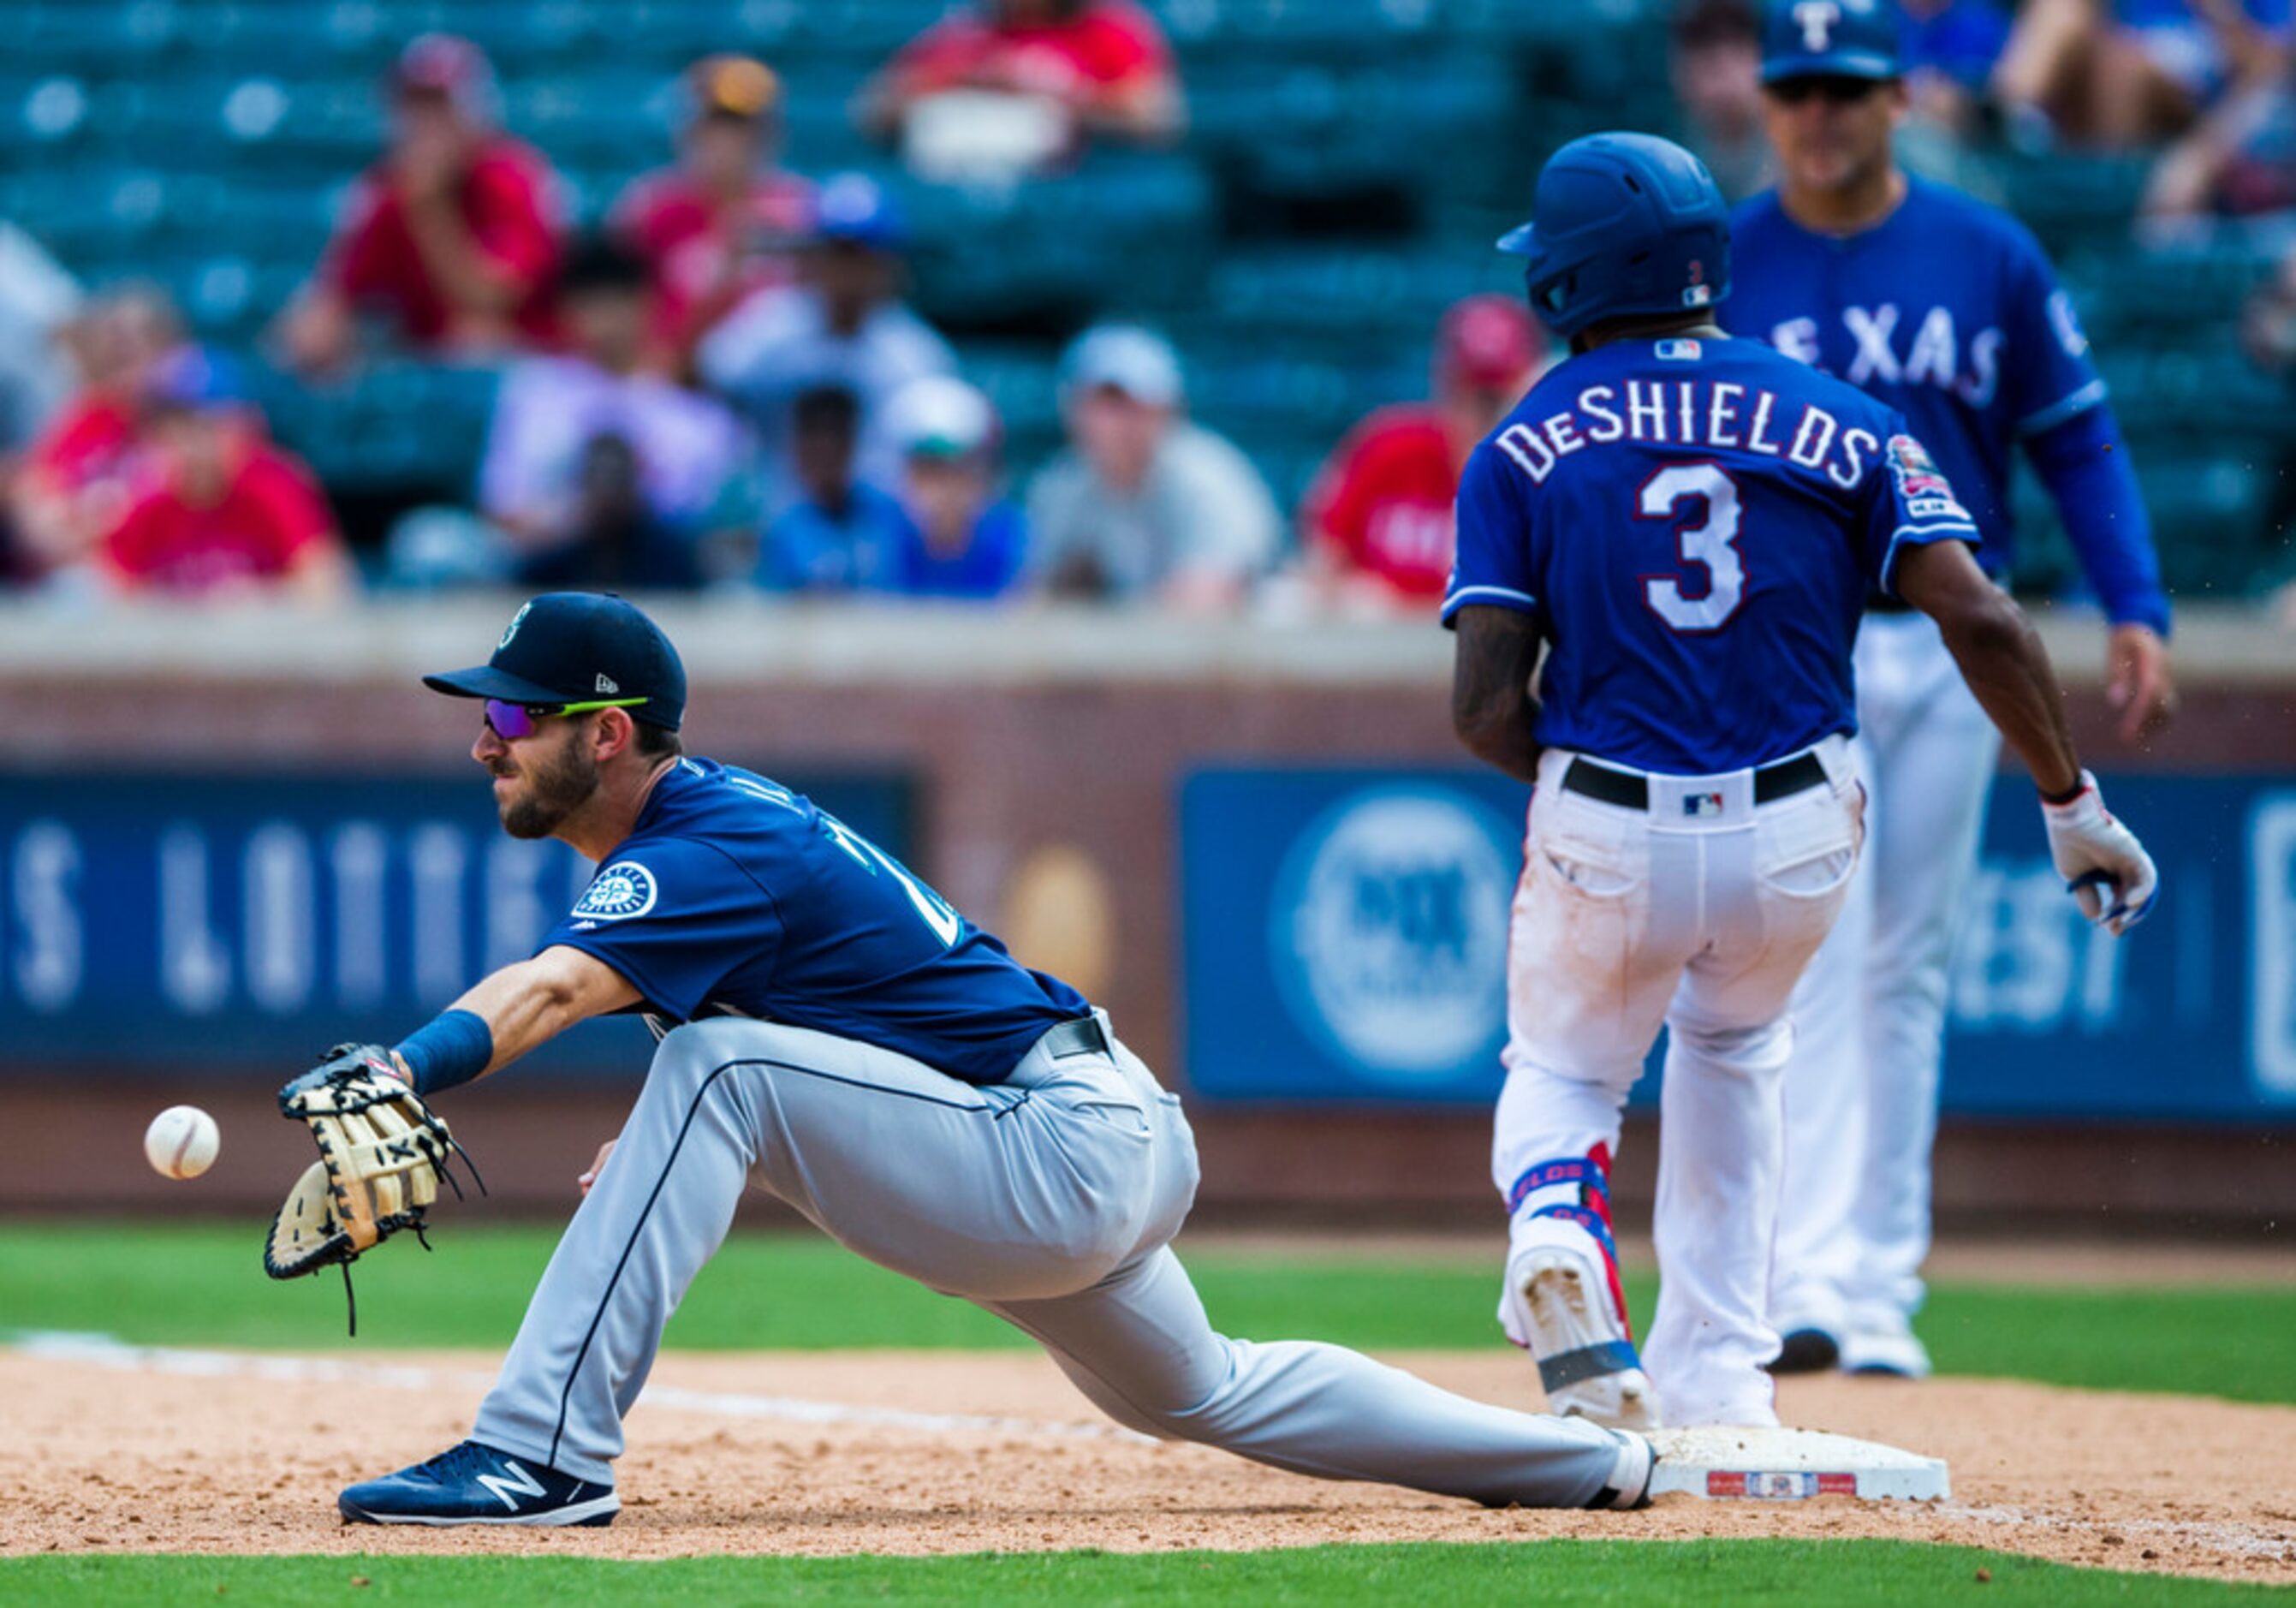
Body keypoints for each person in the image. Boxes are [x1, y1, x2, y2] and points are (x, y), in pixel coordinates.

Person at [324, 589, 1660, 1525]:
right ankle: (1579, 1466)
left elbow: (557, 987)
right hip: (1092, 1127)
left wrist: (406, 1065)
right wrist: (677, 1147)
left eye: (516, 714)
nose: (486, 736)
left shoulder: (700, 845)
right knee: (1206, 1389)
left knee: (715, 1069)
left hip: (1057, 1143)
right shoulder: (713, 830)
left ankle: (538, 1456)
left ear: (606, 732)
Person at [1449, 131, 2158, 1432]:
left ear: (1565, 282)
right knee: (1736, 1052)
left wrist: (1574, 787)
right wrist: (2071, 804)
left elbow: (1485, 704)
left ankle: (1559, 1218)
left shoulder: (1519, 444)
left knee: (1563, 1068)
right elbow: (1985, 620)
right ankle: (1718, 1375)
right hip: (1795, 823)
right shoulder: (1843, 417)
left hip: (1610, 806)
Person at [1728, 0, 2175, 1380]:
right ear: (1766, 97)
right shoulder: (1728, 256)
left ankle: (1873, 1286)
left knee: (1904, 959)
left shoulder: (1984, 250)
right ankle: (1801, 1275)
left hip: (1949, 639)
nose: (1819, 114)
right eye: (1797, 88)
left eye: (1844, 89)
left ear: (1898, 96)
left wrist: (2135, 603)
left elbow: (2076, 440)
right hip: (1793, 641)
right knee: (1810, 949)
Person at [276, 34, 563, 374]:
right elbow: (335, 297)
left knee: (477, 335)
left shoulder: (512, 177)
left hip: (534, 375)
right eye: (414, 109)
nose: (425, 125)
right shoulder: (386, 189)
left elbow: (491, 297)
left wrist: (430, 210)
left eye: (438, 108)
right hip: (431, 360)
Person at [477, 236, 746, 591]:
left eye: (618, 301)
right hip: (554, 570)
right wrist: (581, 519)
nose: (606, 320)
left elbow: (720, 526)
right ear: (568, 310)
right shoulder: (535, 393)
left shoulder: (691, 412)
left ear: (647, 303)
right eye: (591, 304)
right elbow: (503, 508)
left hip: (665, 577)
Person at [698, 173, 956, 511]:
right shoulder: (773, 325)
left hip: (877, 531)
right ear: (813, 257)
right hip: (773, 516)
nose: (846, 271)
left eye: (860, 256)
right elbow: (705, 375)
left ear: (888, 265)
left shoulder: (917, 358)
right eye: (836, 253)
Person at [1299, 295, 1544, 612]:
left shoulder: (1546, 476)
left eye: (1494, 398)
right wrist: (1346, 594)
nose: (1481, 412)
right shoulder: (1389, 446)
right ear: (1442, 382)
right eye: (1469, 393)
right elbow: (1320, 561)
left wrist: (1402, 605)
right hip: (1381, 654)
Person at [1026, 325, 1281, 610]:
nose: (1115, 423)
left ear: (1169, 410)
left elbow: (1206, 599)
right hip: (1128, 645)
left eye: (1135, 406)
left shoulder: (1208, 480)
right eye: (1105, 404)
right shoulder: (1063, 486)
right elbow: (1036, 597)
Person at [610, 55, 816, 378]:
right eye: (716, 126)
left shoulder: (798, 209)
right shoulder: (653, 208)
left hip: (781, 382)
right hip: (676, 380)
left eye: (743, 128)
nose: (729, 142)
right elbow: (630, 319)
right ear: (689, 132)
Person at [98, 348, 354, 603]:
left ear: (245, 426)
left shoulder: (274, 483)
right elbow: (113, 595)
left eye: (206, 428)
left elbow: (329, 583)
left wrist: (263, 597)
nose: (191, 445)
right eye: (176, 429)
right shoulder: (144, 493)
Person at [859, 0, 1183, 176]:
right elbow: (875, 110)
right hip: (962, 178)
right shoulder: (967, 35)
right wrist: (965, 81)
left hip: (1075, 188)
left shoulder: (1108, 30)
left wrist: (1056, 95)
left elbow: (1158, 117)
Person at [8, 285, 181, 580]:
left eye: (136, 339)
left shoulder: (190, 418)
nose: (121, 348)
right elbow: (38, 501)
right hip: (94, 577)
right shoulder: (84, 419)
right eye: (114, 341)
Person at [1992, 0, 2287, 149]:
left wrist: (2217, 10)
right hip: (2092, 96)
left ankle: (2103, 197)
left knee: (2123, 70)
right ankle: (2007, 122)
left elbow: (2270, 70)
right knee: (2063, 6)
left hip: (2196, 106)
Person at [882, 374, 1030, 599]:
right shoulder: (877, 544)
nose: (944, 490)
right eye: (930, 473)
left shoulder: (1016, 544)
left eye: (958, 473)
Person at [758, 384, 913, 592]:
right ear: (798, 447)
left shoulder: (892, 516)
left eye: (835, 435)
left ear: (852, 442)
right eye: (814, 437)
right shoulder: (781, 529)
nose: (825, 449)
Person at [1672, 0, 1776, 201]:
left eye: (1737, 46)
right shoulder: (1668, 151)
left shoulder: (1796, 155)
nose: (1723, 66)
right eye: (1704, 49)